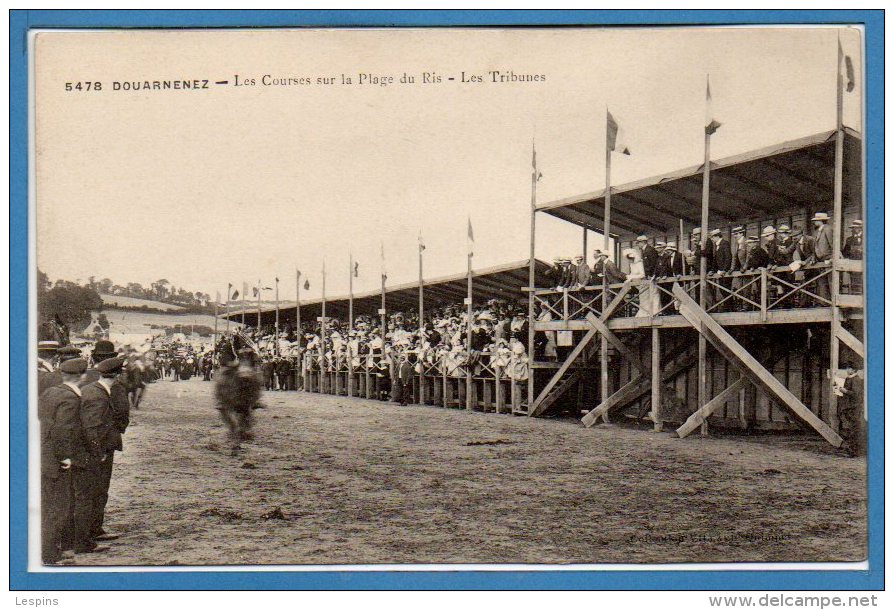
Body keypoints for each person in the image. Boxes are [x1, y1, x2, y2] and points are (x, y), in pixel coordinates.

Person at [39, 357, 89, 563]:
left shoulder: (51, 392)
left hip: (43, 454)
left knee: (47, 504)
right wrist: (66, 457)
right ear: (82, 377)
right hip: (57, 460)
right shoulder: (71, 398)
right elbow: (64, 430)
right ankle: (50, 554)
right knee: (59, 507)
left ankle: (48, 549)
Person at [80, 356, 129, 545]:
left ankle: (93, 529)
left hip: (99, 448)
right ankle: (91, 531)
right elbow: (93, 427)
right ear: (116, 376)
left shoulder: (93, 389)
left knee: (97, 490)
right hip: (98, 451)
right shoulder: (99, 395)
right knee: (97, 489)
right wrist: (98, 451)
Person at [809, 212, 834, 302]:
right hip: (820, 260)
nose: (815, 222)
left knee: (831, 281)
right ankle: (824, 302)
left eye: (816, 220)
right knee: (822, 282)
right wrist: (813, 257)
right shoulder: (817, 231)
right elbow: (815, 247)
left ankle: (834, 301)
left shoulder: (828, 229)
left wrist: (832, 258)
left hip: (828, 259)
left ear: (820, 220)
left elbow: (833, 244)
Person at [842, 219, 863, 295]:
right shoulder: (849, 240)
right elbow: (845, 253)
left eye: (857, 227)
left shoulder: (868, 238)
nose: (855, 229)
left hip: (864, 265)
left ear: (861, 228)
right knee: (854, 284)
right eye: (853, 228)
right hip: (853, 266)